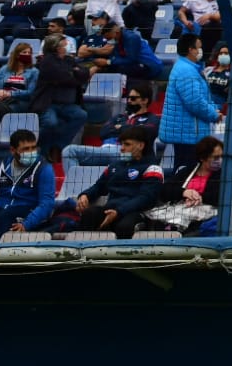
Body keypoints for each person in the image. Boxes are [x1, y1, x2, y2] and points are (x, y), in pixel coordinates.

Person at [73, 126, 165, 239]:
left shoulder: (153, 168)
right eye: (121, 144)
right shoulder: (114, 166)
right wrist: (85, 195)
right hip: (111, 209)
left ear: (141, 146)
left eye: (127, 144)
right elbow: (99, 187)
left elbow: (146, 198)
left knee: (124, 227)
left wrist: (119, 211)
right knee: (89, 215)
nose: (122, 148)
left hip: (136, 212)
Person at [63, 82, 158, 173]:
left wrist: (119, 128)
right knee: (69, 151)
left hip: (127, 153)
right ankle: (74, 183)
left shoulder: (152, 118)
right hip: (104, 151)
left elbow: (145, 132)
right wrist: (129, 129)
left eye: (133, 98)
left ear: (145, 100)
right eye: (128, 98)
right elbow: (103, 132)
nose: (129, 101)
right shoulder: (119, 117)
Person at [159, 35, 222, 171]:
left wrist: (213, 109)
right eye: (199, 47)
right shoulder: (186, 71)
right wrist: (213, 114)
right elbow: (194, 102)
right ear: (191, 49)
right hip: (187, 134)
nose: (201, 50)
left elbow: (203, 97)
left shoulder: (189, 68)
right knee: (186, 173)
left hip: (188, 132)